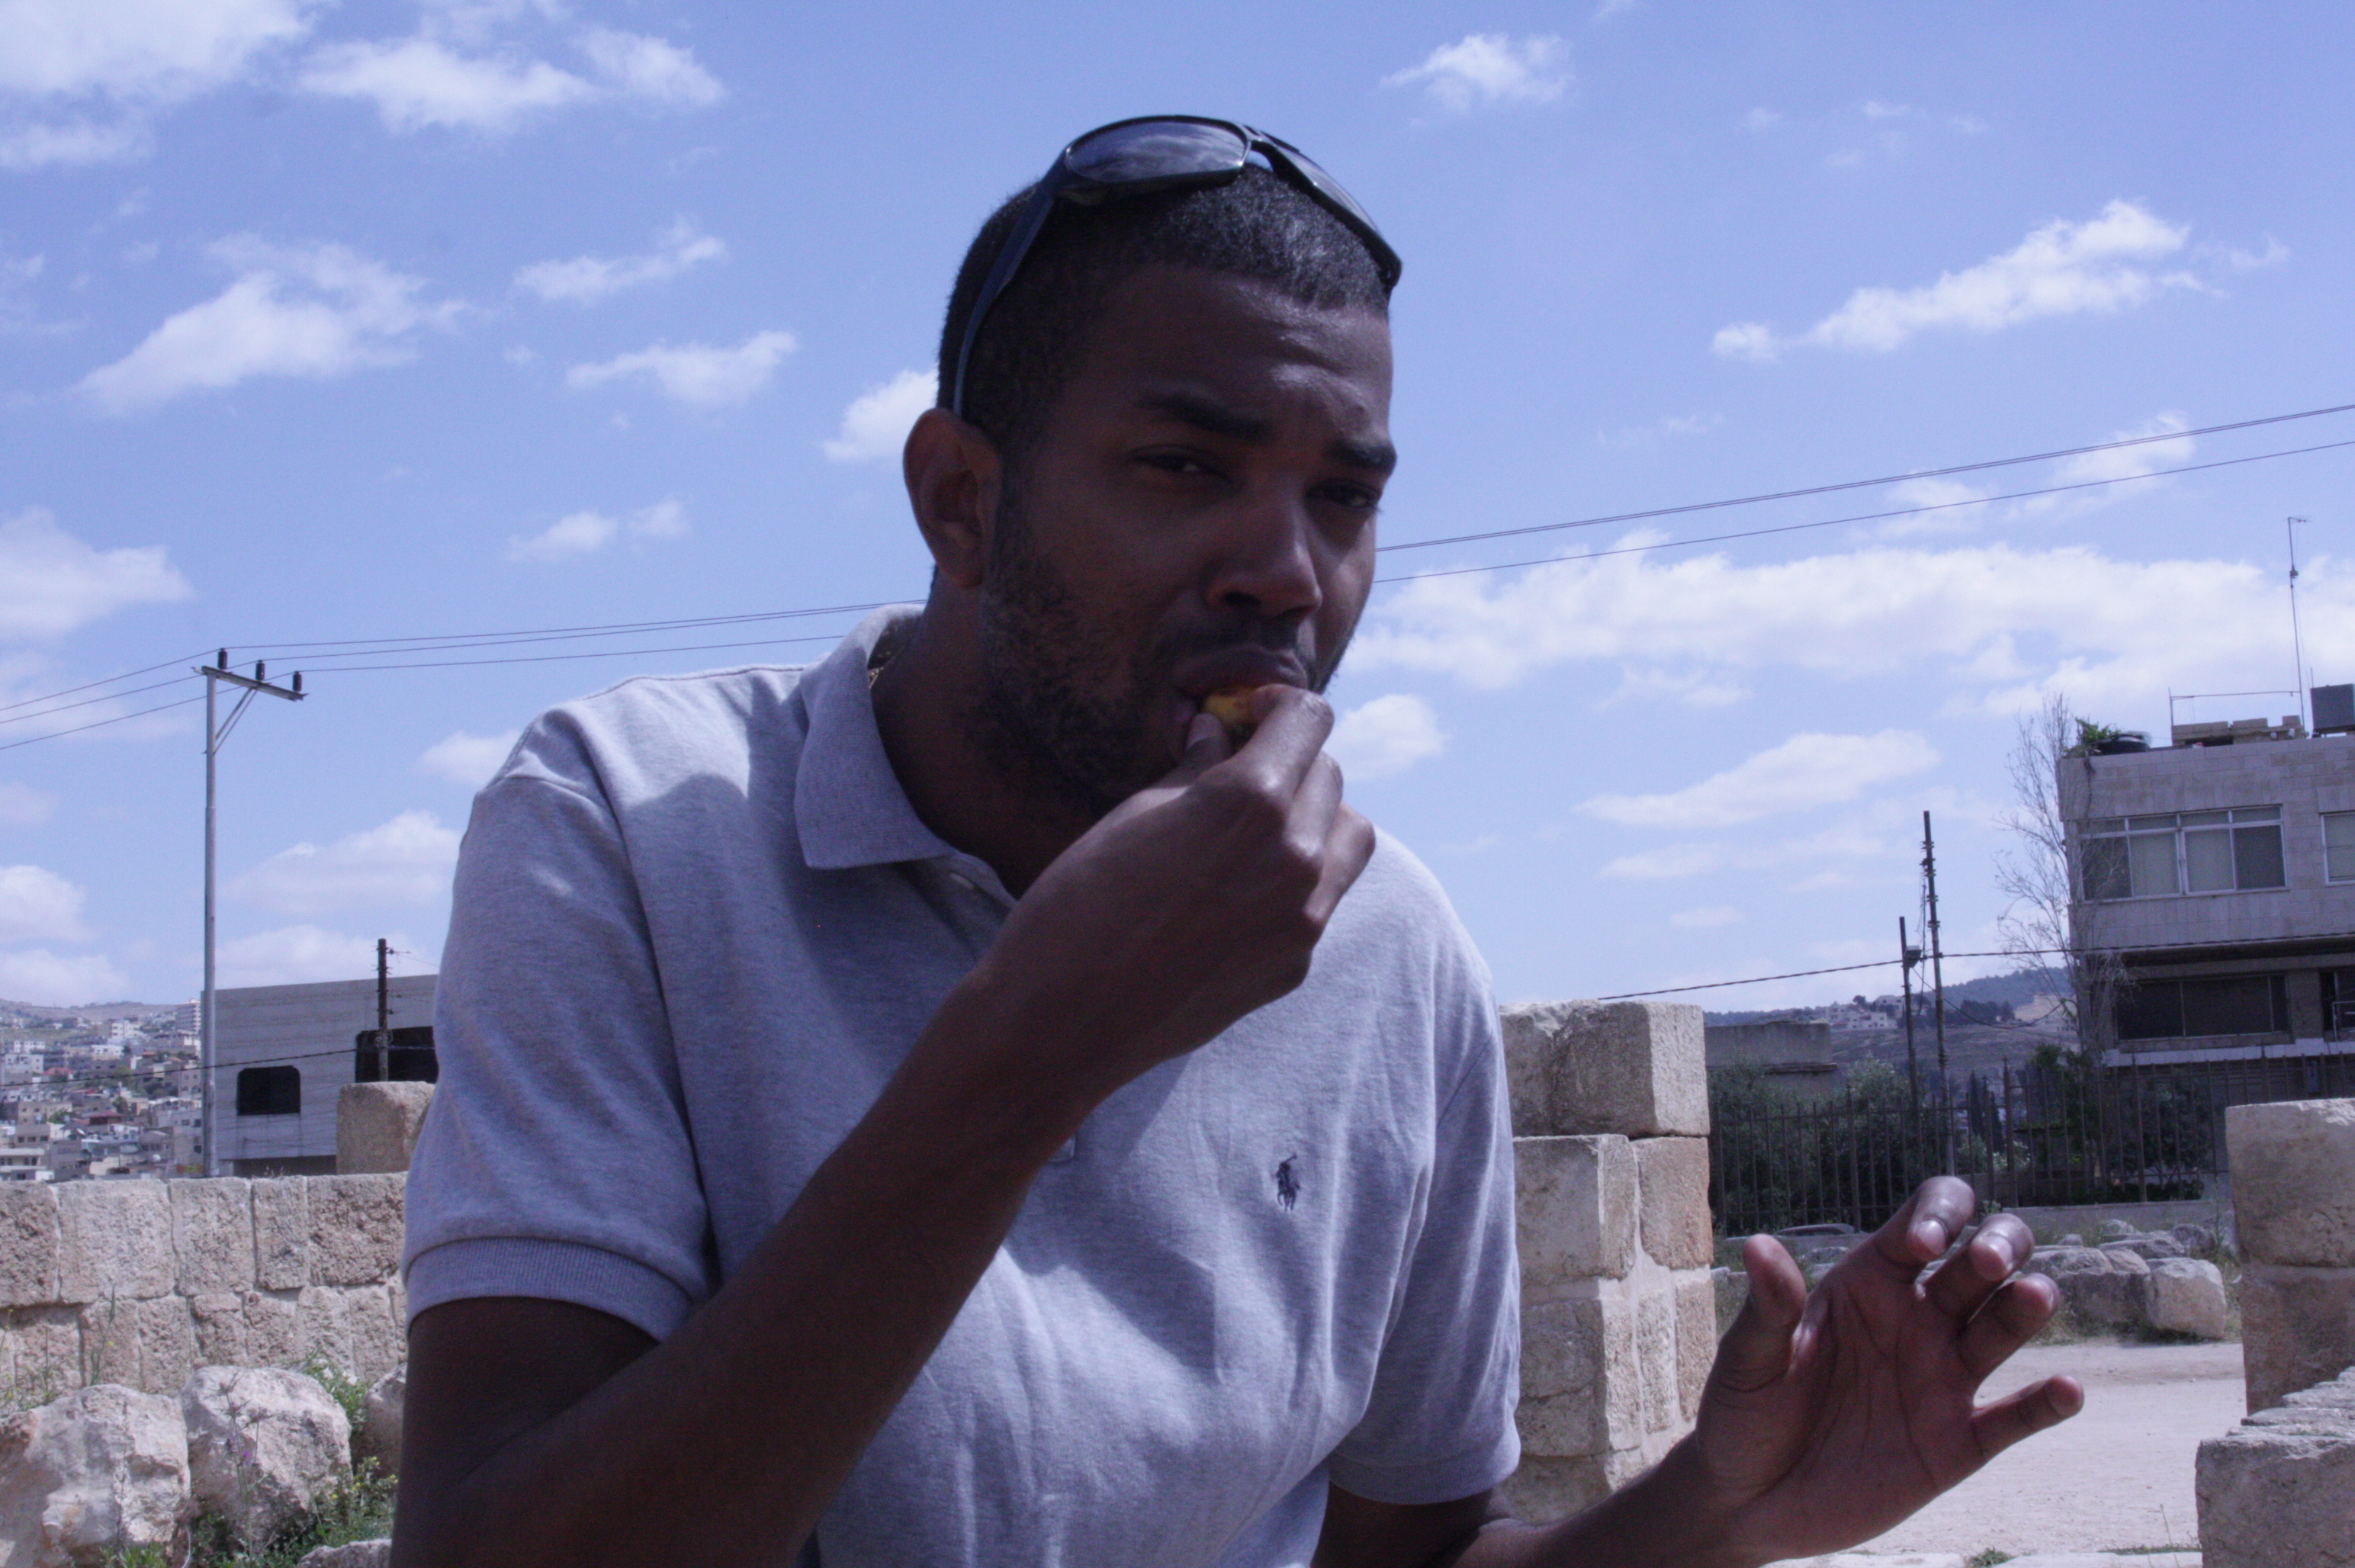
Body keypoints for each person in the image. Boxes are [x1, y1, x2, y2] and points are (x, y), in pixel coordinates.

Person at [390, 118, 2081, 1568]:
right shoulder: (626, 824)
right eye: (1183, 464)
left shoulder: (1388, 948)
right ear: (960, 499)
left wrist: (1707, 1512)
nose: (1286, 571)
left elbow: (1407, 1553)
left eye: (1342, 497)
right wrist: (1037, 1043)